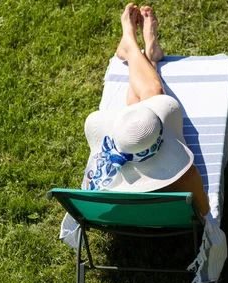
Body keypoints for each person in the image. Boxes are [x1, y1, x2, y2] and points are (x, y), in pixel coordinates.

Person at [81, 3, 209, 215]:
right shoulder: (185, 176)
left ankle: (133, 46)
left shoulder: (101, 181)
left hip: (125, 218)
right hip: (175, 220)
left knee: (138, 115)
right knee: (152, 91)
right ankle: (138, 50)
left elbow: (135, 130)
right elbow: (203, 210)